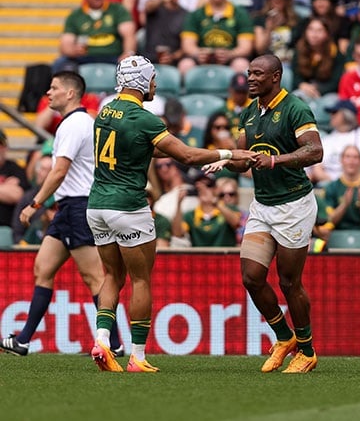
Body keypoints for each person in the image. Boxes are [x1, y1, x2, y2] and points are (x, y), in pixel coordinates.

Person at [86, 55, 256, 373]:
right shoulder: (146, 118)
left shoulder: (104, 112)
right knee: (140, 280)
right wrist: (229, 153)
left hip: (97, 206)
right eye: (152, 79)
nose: (154, 85)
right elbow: (189, 155)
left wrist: (178, 151)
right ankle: (137, 356)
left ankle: (102, 341)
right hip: (129, 206)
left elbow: (144, 147)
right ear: (141, 82)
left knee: (111, 275)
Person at [203, 54, 323, 373]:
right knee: (251, 277)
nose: (250, 79)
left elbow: (315, 151)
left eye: (258, 74)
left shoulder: (295, 108)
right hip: (262, 204)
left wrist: (276, 161)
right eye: (249, 73)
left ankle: (307, 350)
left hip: (294, 205)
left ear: (276, 77)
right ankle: (284, 338)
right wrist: (227, 159)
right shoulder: (249, 113)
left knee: (288, 282)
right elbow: (244, 159)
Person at [1, 71, 123, 356]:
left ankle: (114, 343)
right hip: (70, 207)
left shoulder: (73, 124)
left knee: (94, 277)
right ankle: (23, 340)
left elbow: (59, 171)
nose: (48, 93)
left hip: (77, 207)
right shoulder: (79, 122)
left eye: (54, 88)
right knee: (42, 269)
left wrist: (35, 204)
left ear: (70, 93)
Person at [52, 0, 137, 73]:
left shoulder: (118, 10)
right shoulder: (75, 16)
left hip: (113, 56)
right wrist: (73, 50)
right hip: (84, 57)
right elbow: (66, 43)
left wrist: (128, 53)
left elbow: (129, 35)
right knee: (61, 64)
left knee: (131, 66)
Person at [178, 0, 254, 74]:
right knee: (185, 65)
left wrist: (230, 54)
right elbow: (187, 45)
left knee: (241, 65)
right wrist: (198, 53)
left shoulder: (240, 14)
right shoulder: (196, 15)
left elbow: (246, 47)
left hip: (230, 60)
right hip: (201, 61)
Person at [141, 0, 188, 66]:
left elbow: (186, 45)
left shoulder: (185, 14)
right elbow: (148, 7)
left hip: (172, 61)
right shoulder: (155, 8)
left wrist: (173, 57)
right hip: (149, 58)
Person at [0, 129, 30, 230]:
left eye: (1, 145)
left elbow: (18, 195)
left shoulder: (15, 169)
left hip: (5, 226)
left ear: (5, 147)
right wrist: (5, 188)